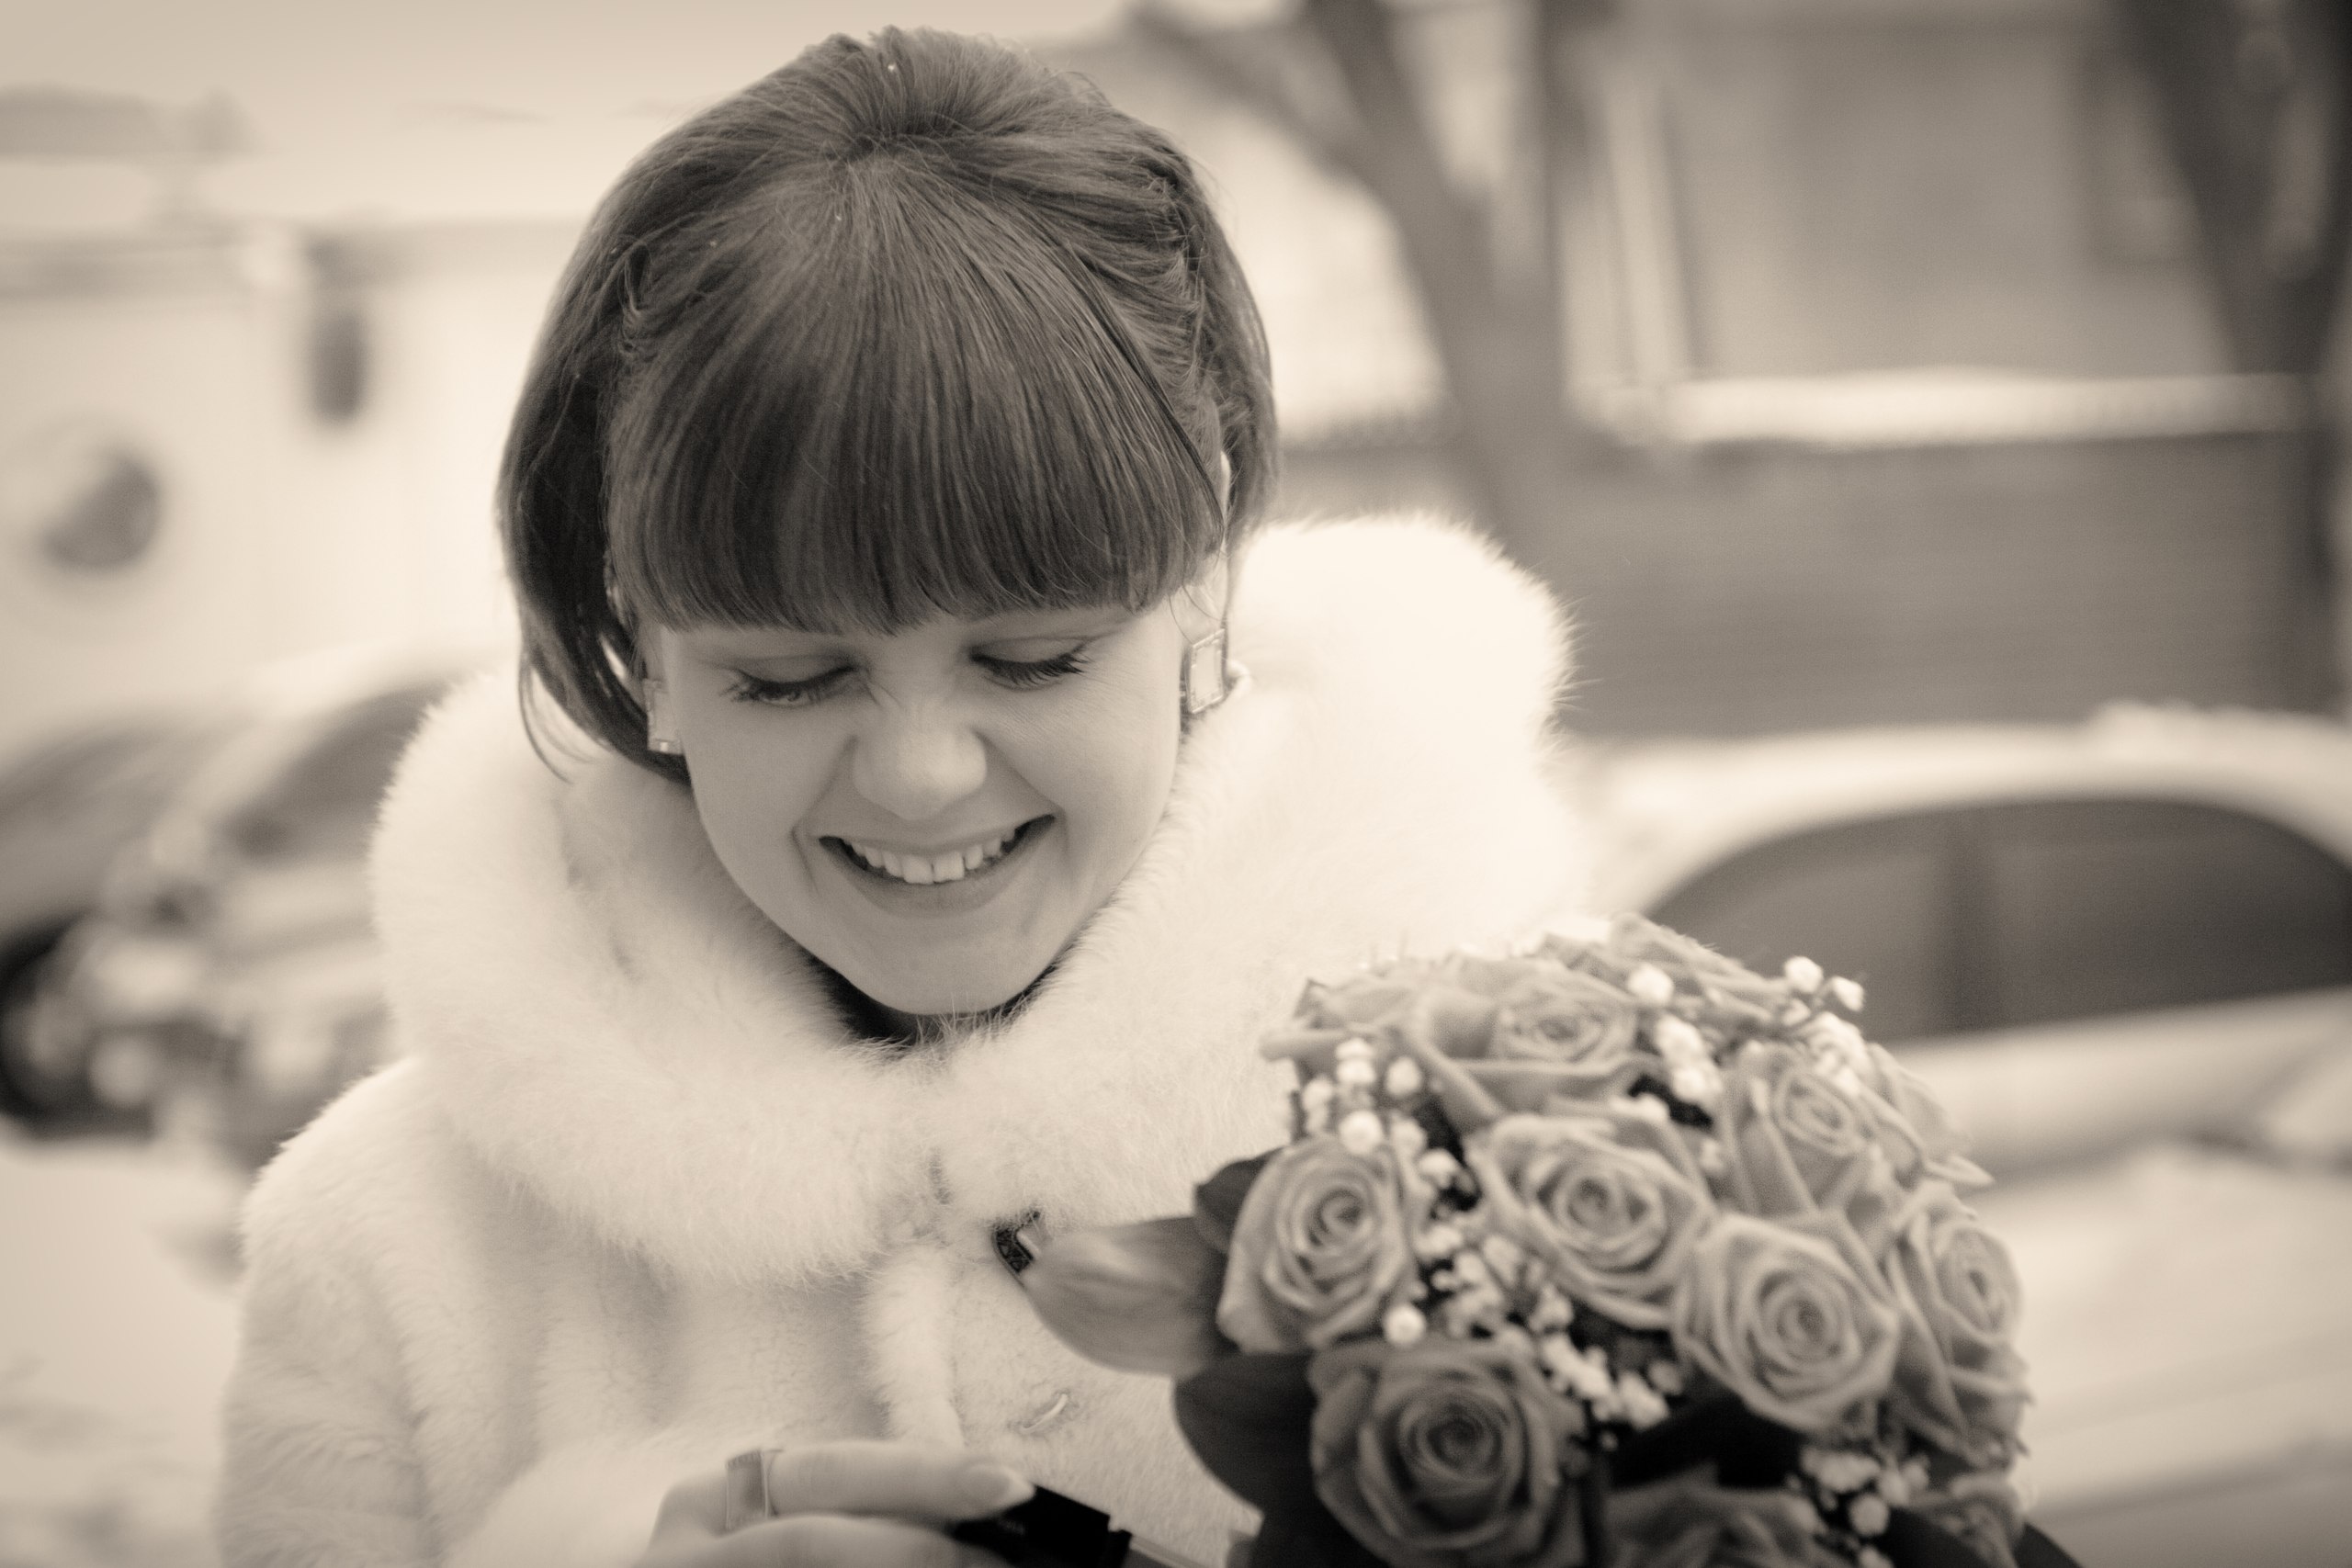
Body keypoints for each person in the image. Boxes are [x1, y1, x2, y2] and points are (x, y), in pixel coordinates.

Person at [215, 27, 1588, 1568]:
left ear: (1203, 583)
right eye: (791, 678)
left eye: (1034, 658)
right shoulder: (386, 1252)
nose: (922, 773)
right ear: (641, 648)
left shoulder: (1564, 1140)